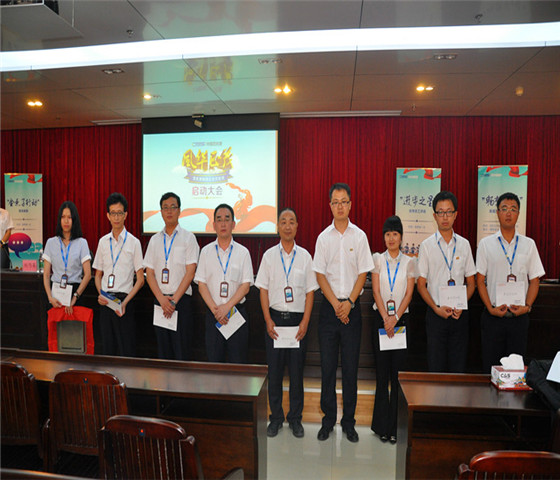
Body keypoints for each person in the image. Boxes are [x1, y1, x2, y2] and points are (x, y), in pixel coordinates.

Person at [313, 182, 374, 443]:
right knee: (327, 369)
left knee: (350, 370)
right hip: (329, 312)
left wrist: (349, 302)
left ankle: (349, 422)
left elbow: (363, 272)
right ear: (330, 205)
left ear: (350, 204)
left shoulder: (359, 236)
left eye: (344, 201)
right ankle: (328, 420)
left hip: (352, 310)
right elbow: (319, 274)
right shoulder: (323, 238)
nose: (340, 206)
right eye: (335, 202)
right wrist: (337, 305)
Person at [255, 208, 318, 438]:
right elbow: (263, 290)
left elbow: (310, 292)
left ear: (297, 226)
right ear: (278, 227)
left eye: (292, 221)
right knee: (274, 373)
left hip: (297, 323)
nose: (288, 226)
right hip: (275, 321)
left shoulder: (305, 257)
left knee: (297, 374)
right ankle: (276, 418)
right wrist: (267, 319)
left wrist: (305, 322)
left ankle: (295, 419)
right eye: (283, 222)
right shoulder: (269, 256)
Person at [476, 192, 545, 372]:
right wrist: (490, 308)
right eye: (504, 208)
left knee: (515, 371)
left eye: (513, 209)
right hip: (493, 318)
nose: (508, 213)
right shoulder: (485, 244)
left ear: (518, 214)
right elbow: (480, 281)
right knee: (490, 369)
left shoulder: (529, 244)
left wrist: (527, 307)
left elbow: (535, 280)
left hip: (518, 319)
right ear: (497, 213)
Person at [417, 191, 476, 373]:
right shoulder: (426, 246)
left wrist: (461, 305)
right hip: (436, 315)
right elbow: (421, 284)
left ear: (455, 214)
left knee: (458, 367)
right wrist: (436, 308)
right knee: (436, 366)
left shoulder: (464, 244)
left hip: (459, 315)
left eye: (449, 212)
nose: (445, 217)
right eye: (440, 212)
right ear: (434, 215)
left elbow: (471, 282)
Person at [370, 216, 415, 444]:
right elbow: (376, 291)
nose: (391, 238)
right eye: (387, 234)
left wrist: (395, 318)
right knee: (382, 376)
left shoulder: (410, 262)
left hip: (401, 323)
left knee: (397, 377)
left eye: (395, 234)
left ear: (401, 237)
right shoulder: (377, 259)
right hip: (381, 322)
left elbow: (409, 293)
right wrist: (386, 318)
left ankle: (396, 427)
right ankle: (381, 426)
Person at [194, 203, 254, 363]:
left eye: (227, 219)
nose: (223, 223)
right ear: (213, 225)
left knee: (238, 363)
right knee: (214, 364)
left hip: (236, 314)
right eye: (219, 220)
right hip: (213, 315)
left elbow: (245, 286)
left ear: (233, 224)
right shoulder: (206, 252)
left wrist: (227, 307)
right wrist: (216, 311)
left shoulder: (243, 252)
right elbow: (201, 285)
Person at [144, 192, 199, 360]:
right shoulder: (154, 240)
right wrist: (161, 299)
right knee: (163, 352)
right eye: (165, 208)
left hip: (181, 302)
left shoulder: (188, 238)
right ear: (161, 212)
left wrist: (173, 301)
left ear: (179, 210)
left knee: (181, 352)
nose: (169, 211)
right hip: (160, 302)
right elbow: (149, 273)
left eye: (173, 207)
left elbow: (190, 272)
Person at [92, 193, 144, 357]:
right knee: (108, 349)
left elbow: (140, 279)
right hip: (106, 300)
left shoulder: (134, 243)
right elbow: (98, 275)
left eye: (119, 213)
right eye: (113, 213)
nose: (116, 217)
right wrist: (101, 294)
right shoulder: (103, 242)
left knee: (126, 350)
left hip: (124, 301)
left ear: (125, 215)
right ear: (108, 215)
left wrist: (125, 302)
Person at [43, 201, 91, 315]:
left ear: (74, 220)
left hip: (75, 292)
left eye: (69, 217)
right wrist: (50, 297)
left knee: (74, 326)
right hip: (55, 293)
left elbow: (88, 274)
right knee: (56, 325)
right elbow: (46, 274)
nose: (66, 221)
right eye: (63, 217)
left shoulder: (82, 243)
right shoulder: (51, 243)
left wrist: (74, 298)